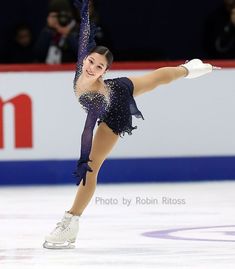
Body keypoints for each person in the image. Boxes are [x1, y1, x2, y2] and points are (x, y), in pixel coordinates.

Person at [43, 0, 216, 249]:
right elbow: (85, 33)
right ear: (85, 59)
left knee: (91, 167)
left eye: (99, 67)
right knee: (154, 78)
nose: (92, 68)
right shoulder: (84, 60)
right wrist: (83, 10)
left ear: (104, 72)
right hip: (119, 86)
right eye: (91, 62)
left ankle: (70, 222)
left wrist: (83, 159)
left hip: (115, 110)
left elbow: (88, 128)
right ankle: (189, 68)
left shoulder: (96, 95)